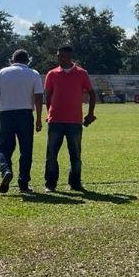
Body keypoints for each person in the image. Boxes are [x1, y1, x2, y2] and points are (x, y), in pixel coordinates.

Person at [43, 45, 97, 192]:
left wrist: (90, 113)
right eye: (58, 56)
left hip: (74, 121)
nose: (60, 58)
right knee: (51, 154)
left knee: (75, 155)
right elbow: (48, 96)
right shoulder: (52, 74)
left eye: (62, 56)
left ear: (69, 57)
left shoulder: (81, 73)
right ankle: (50, 184)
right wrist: (49, 113)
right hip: (55, 120)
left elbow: (92, 93)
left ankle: (75, 183)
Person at [0, 49, 43, 194]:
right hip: (25, 114)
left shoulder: (2, 72)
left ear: (12, 60)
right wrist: (38, 118)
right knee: (26, 149)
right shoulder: (33, 73)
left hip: (6, 114)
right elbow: (38, 97)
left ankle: (6, 170)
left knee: (3, 148)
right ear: (28, 60)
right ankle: (23, 183)